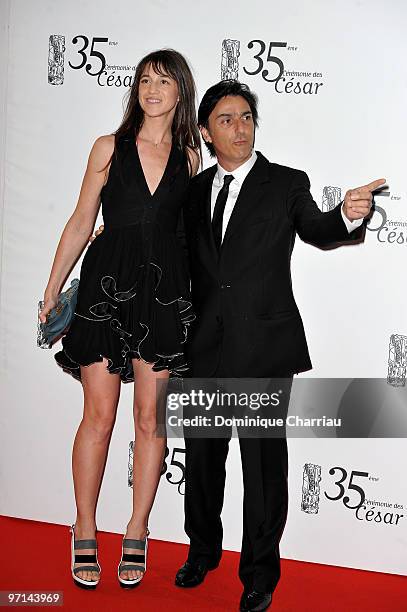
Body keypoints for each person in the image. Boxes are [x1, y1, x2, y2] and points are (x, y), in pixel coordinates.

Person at [173, 80, 384, 611]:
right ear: (206, 130)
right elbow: (182, 262)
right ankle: (202, 552)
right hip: (205, 348)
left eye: (246, 116)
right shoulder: (194, 191)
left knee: (263, 468)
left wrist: (349, 214)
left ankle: (260, 575)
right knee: (201, 459)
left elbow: (318, 228)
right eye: (226, 119)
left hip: (264, 348)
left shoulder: (286, 182)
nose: (239, 127)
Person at [39, 49, 200, 590]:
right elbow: (84, 217)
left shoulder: (189, 157)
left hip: (161, 296)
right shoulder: (109, 147)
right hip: (108, 291)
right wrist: (52, 285)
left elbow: (187, 235)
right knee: (99, 417)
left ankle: (138, 526)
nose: (152, 89)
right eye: (144, 80)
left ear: (181, 91)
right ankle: (84, 523)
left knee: (151, 421)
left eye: (163, 81)